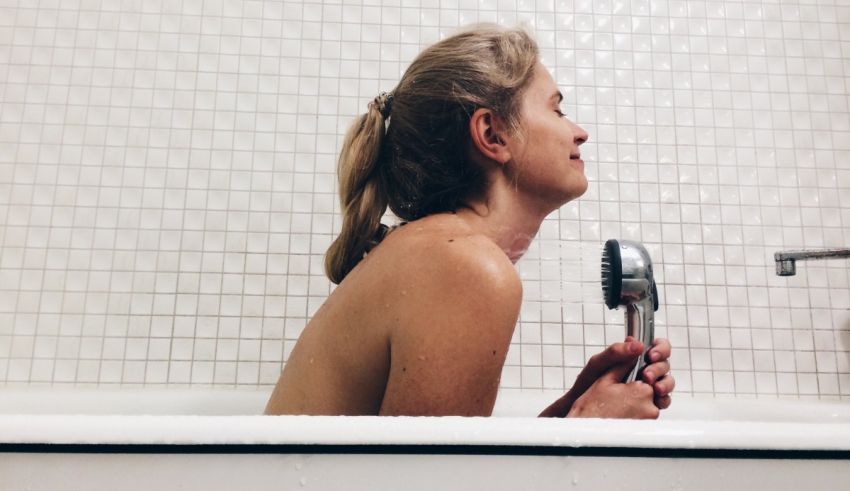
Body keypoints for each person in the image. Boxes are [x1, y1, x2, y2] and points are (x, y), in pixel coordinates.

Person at [265, 24, 674, 418]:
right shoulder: (465, 267)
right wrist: (590, 429)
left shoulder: (436, 251)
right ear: (492, 135)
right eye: (558, 109)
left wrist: (568, 418)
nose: (579, 132)